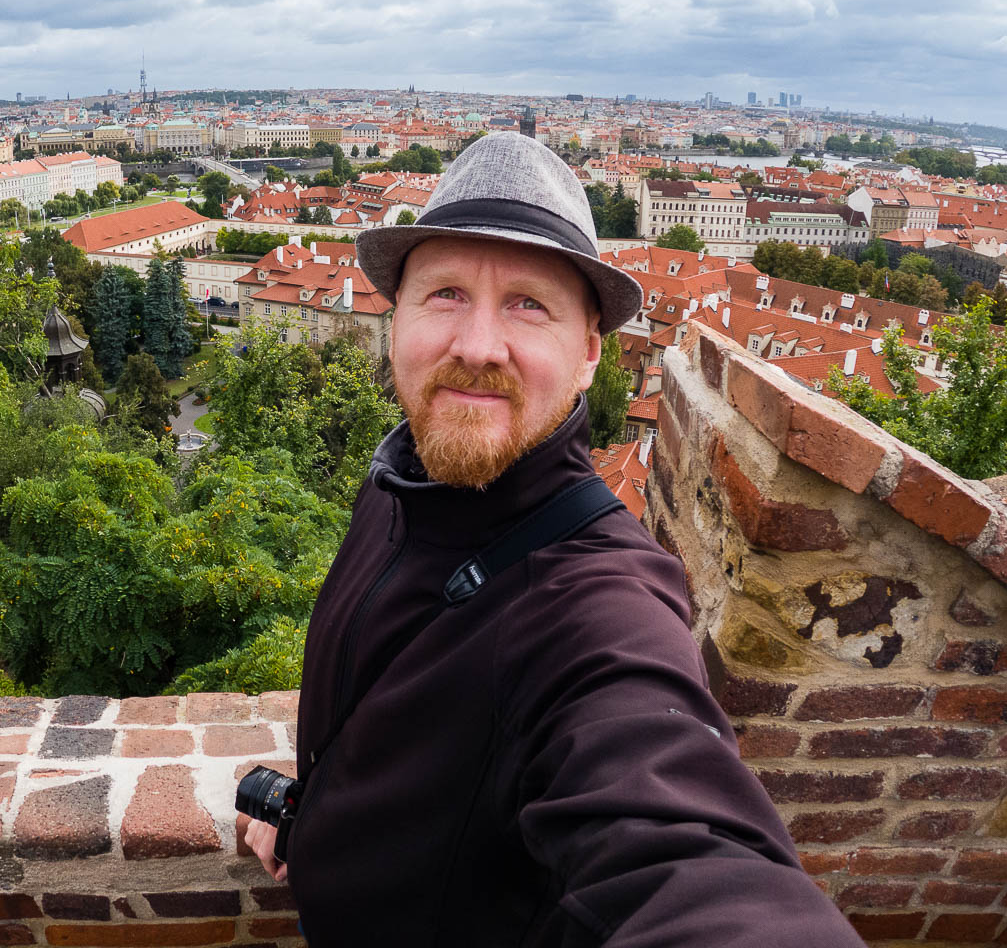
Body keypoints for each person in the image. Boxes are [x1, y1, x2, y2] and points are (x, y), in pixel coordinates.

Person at [238, 132, 863, 946]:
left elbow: (687, 855)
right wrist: (314, 803)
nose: (476, 346)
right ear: (396, 325)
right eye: (446, 294)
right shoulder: (401, 479)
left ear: (588, 357)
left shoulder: (599, 607)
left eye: (528, 304)